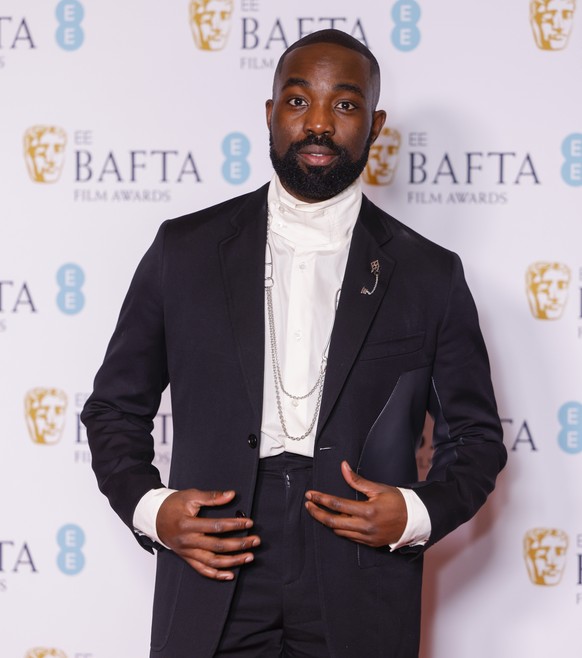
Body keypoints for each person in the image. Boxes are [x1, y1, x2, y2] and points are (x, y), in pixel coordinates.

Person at [82, 29, 507, 658]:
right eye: (297, 100)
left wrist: (416, 514)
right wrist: (152, 509)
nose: (318, 124)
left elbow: (475, 440)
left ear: (376, 123)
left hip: (363, 575)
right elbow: (115, 408)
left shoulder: (429, 274)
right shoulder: (186, 250)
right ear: (269, 113)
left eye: (344, 104)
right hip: (214, 563)